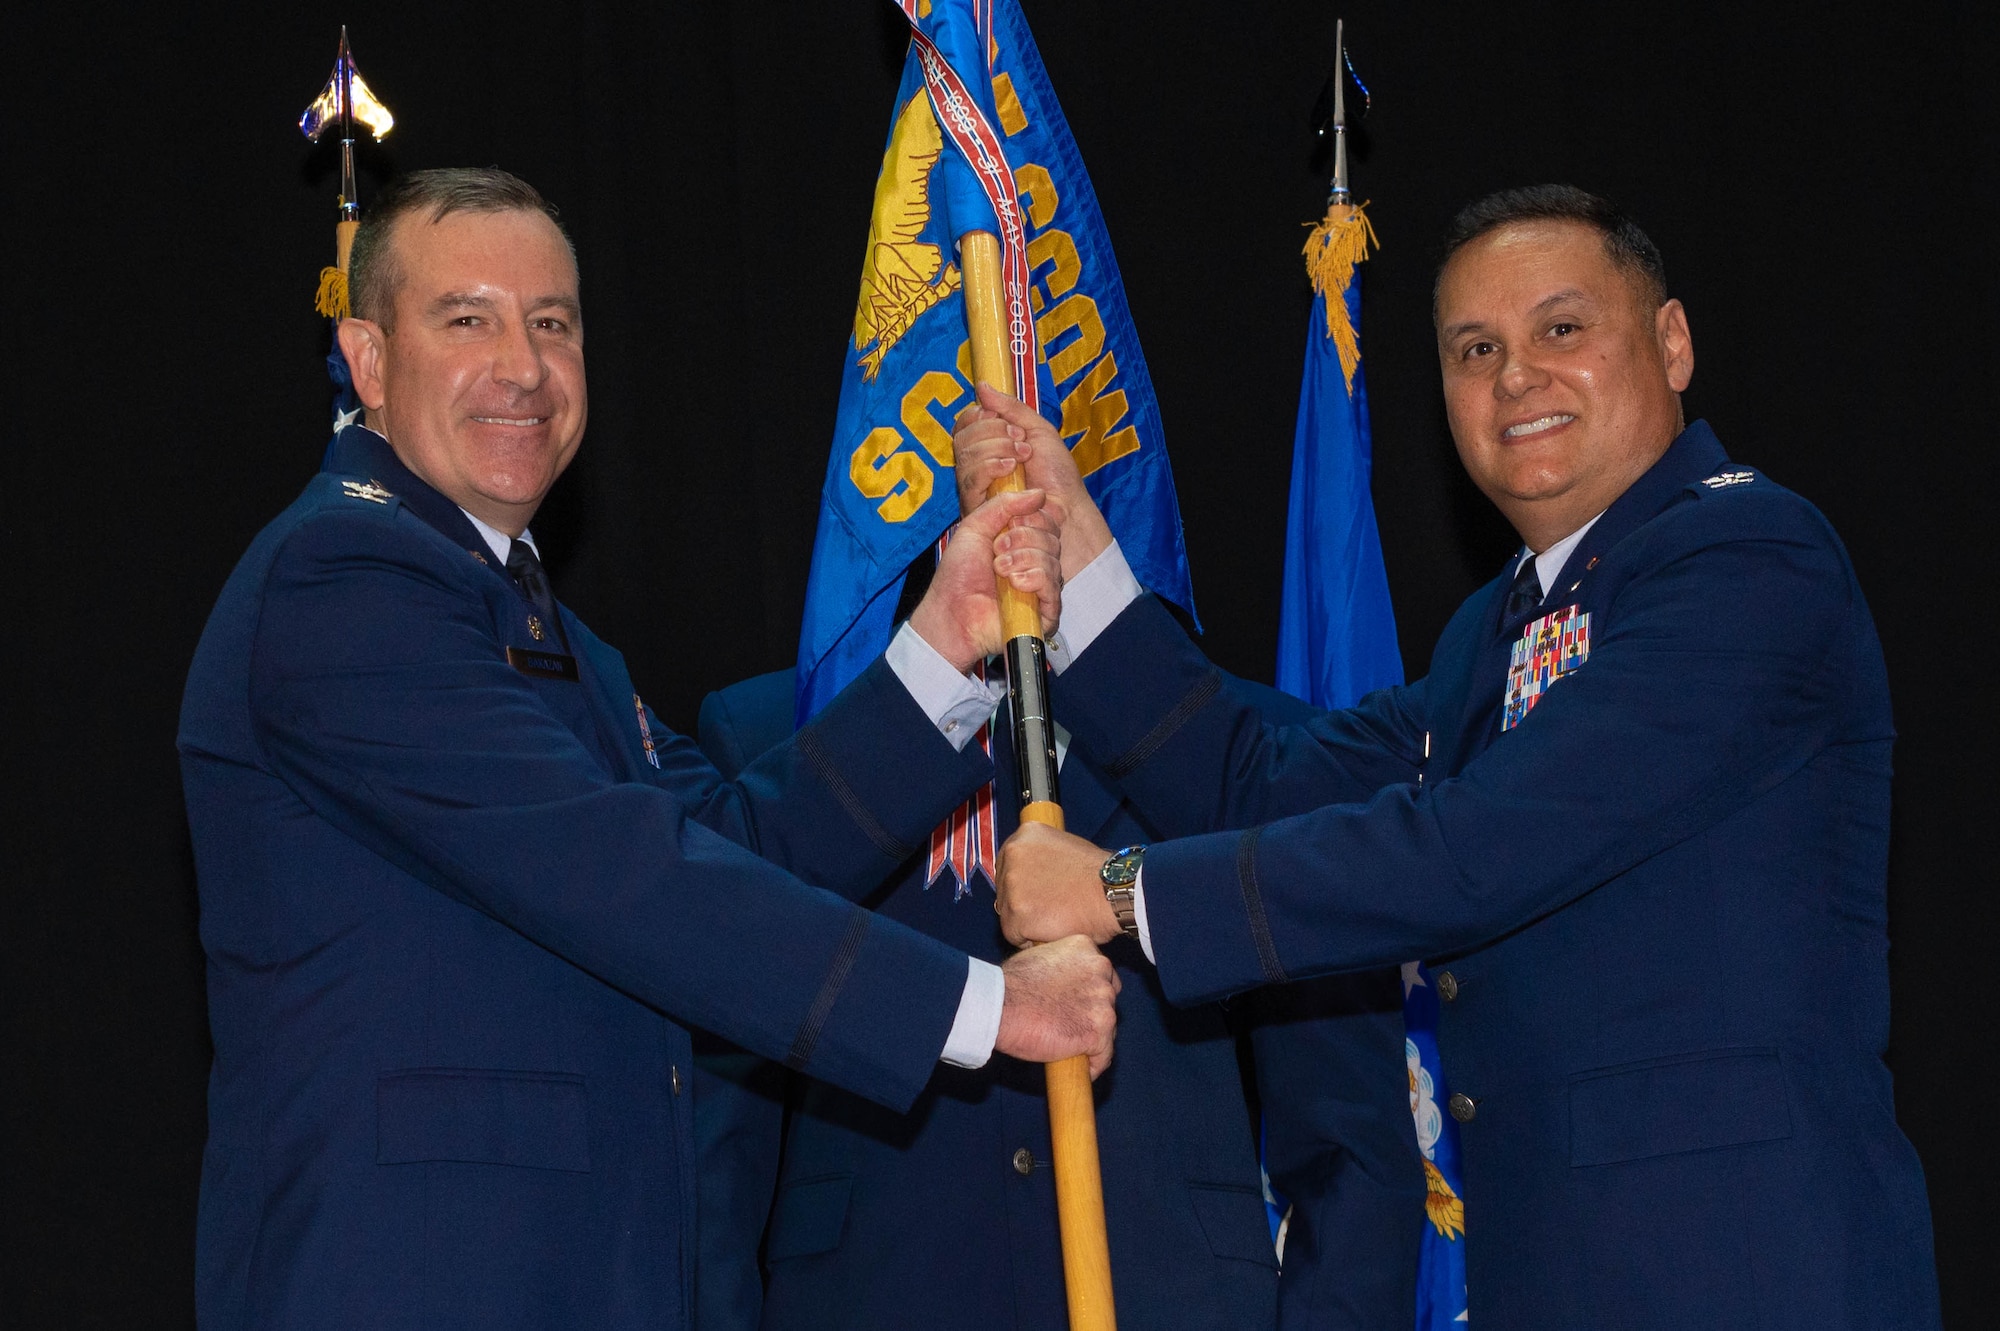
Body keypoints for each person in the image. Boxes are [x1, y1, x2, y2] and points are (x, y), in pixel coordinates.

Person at [964, 185, 1942, 1328]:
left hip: (1745, 1272)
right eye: (1474, 348)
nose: (1515, 374)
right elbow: (1267, 781)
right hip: (1550, 1274)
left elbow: (1477, 846)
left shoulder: (1745, 555)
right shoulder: (1495, 628)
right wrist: (1077, 556)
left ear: (1670, 344)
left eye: (1559, 329)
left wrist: (1119, 891)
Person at [176, 167, 1120, 1330]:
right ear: (368, 360)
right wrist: (985, 1008)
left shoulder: (551, 636)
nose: (521, 366)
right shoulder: (339, 580)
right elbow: (626, 872)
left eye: (552, 324)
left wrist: (945, 639)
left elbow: (732, 847)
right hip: (416, 1282)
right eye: (466, 319)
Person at [690, 636, 1423, 1329]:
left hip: (1175, 1298)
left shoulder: (1258, 747)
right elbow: (717, 1153)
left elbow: (1349, 1150)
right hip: (876, 1295)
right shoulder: (777, 732)